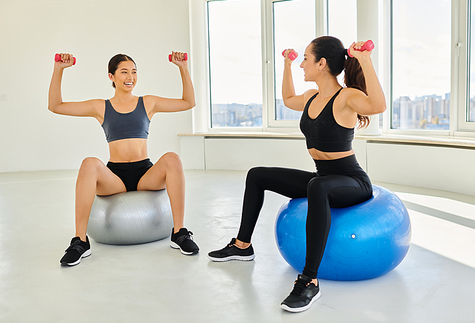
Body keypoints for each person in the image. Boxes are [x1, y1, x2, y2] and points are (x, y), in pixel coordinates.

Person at [207, 36, 386, 312]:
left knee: (318, 187)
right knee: (257, 174)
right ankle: (242, 245)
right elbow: (289, 99)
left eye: (304, 58)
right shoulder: (312, 96)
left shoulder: (347, 97)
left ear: (322, 63)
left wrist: (365, 59)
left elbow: (377, 105)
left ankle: (309, 281)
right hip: (323, 176)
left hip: (352, 181)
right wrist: (287, 65)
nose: (302, 64)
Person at [49, 52, 199, 267]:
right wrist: (58, 70)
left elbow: (188, 102)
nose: (131, 76)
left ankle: (180, 233)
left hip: (145, 174)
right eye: (124, 72)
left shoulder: (148, 102)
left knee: (172, 159)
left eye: (134, 72)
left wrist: (183, 67)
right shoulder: (100, 106)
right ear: (111, 76)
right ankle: (80, 241)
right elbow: (56, 106)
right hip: (115, 177)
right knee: (89, 163)